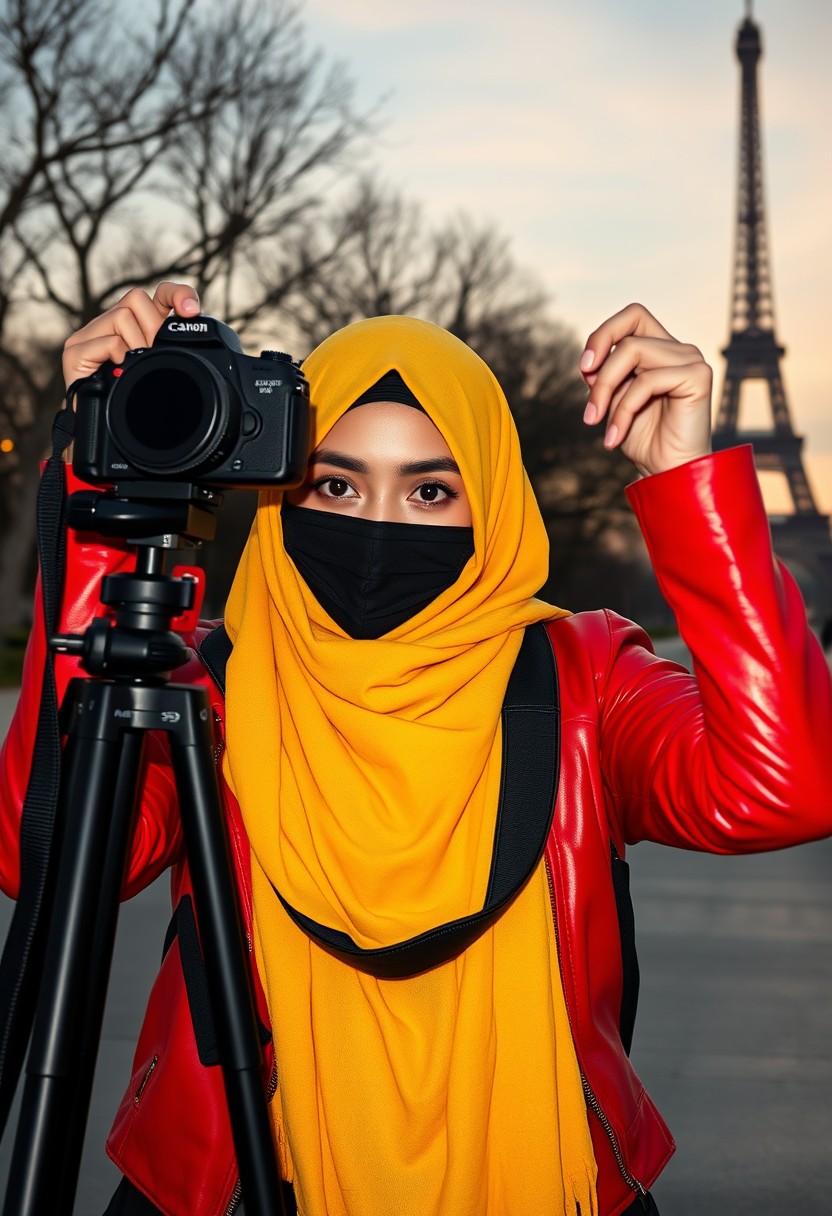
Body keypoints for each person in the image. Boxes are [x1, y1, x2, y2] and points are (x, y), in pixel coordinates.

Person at [2, 282, 831, 1216]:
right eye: (334, 484)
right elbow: (49, 850)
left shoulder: (586, 678)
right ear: (276, 490)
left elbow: (780, 787)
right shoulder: (208, 684)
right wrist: (99, 492)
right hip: (229, 1183)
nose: (376, 527)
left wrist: (688, 487)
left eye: (430, 490)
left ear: (495, 502)